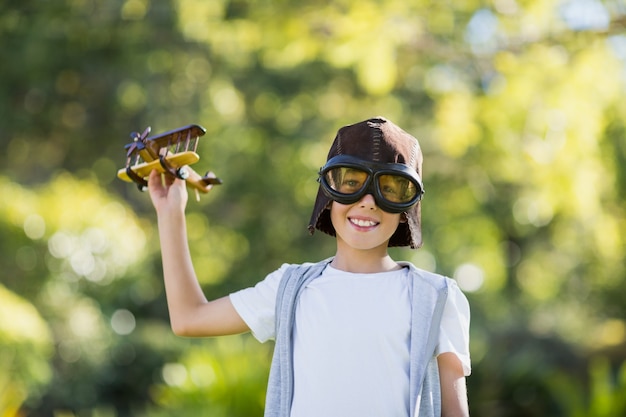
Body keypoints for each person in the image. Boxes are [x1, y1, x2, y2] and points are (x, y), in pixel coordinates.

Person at [148, 116, 471, 417]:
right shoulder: (290, 287)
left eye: (389, 188)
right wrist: (170, 212)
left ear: (407, 207)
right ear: (327, 192)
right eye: (351, 182)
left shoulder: (436, 298)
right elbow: (189, 318)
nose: (368, 200)